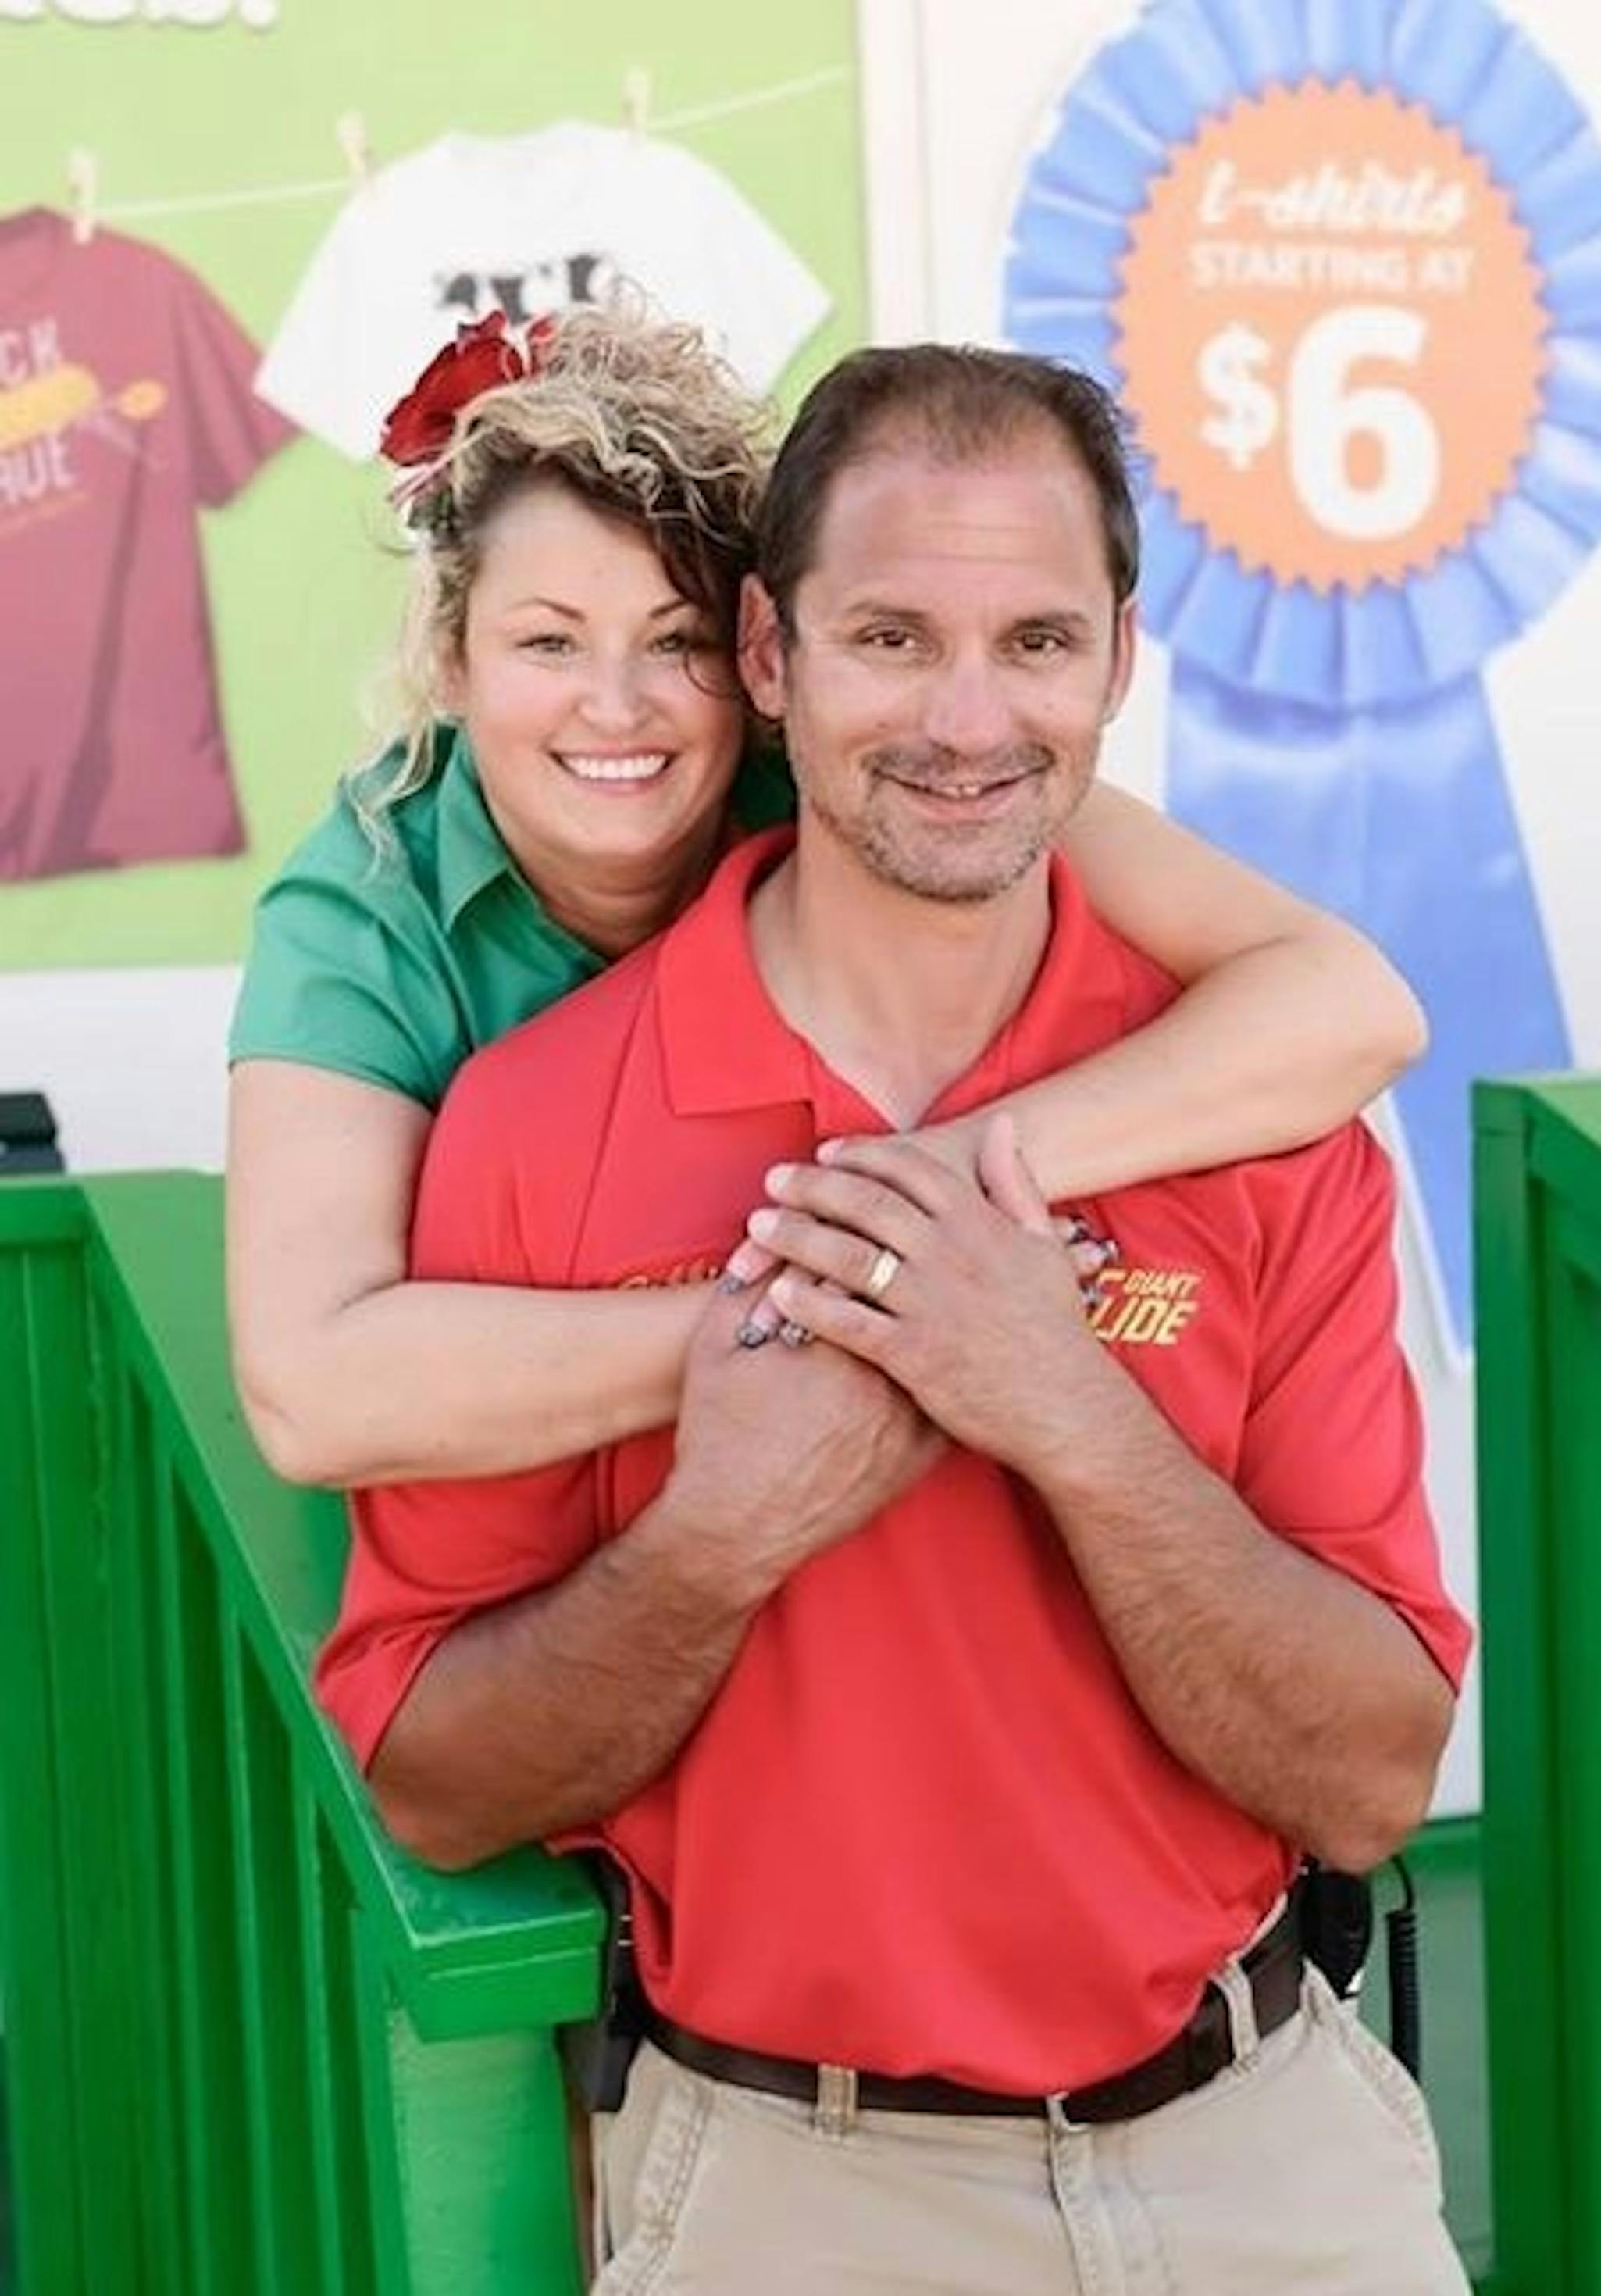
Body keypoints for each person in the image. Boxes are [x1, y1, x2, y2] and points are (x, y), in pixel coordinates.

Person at [313, 342, 1472, 2294]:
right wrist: (723, 1532)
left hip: (1268, 2144)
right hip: (792, 2183)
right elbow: (437, 1775)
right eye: (887, 635)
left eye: (1035, 642)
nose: (964, 717)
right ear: (769, 656)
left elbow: (1367, 1778)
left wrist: (1071, 1416)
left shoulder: (1256, 1117)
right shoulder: (528, 1131)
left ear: (1120, 659)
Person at [226, 304, 1424, 1493]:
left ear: (761, 659)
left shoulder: (883, 766)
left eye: (677, 641)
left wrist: (925, 1199)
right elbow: (311, 1396)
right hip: (510, 1508)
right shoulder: (367, 899)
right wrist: (830, 1303)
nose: (616, 705)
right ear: (454, 660)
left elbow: (1350, 1008)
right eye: (548, 644)